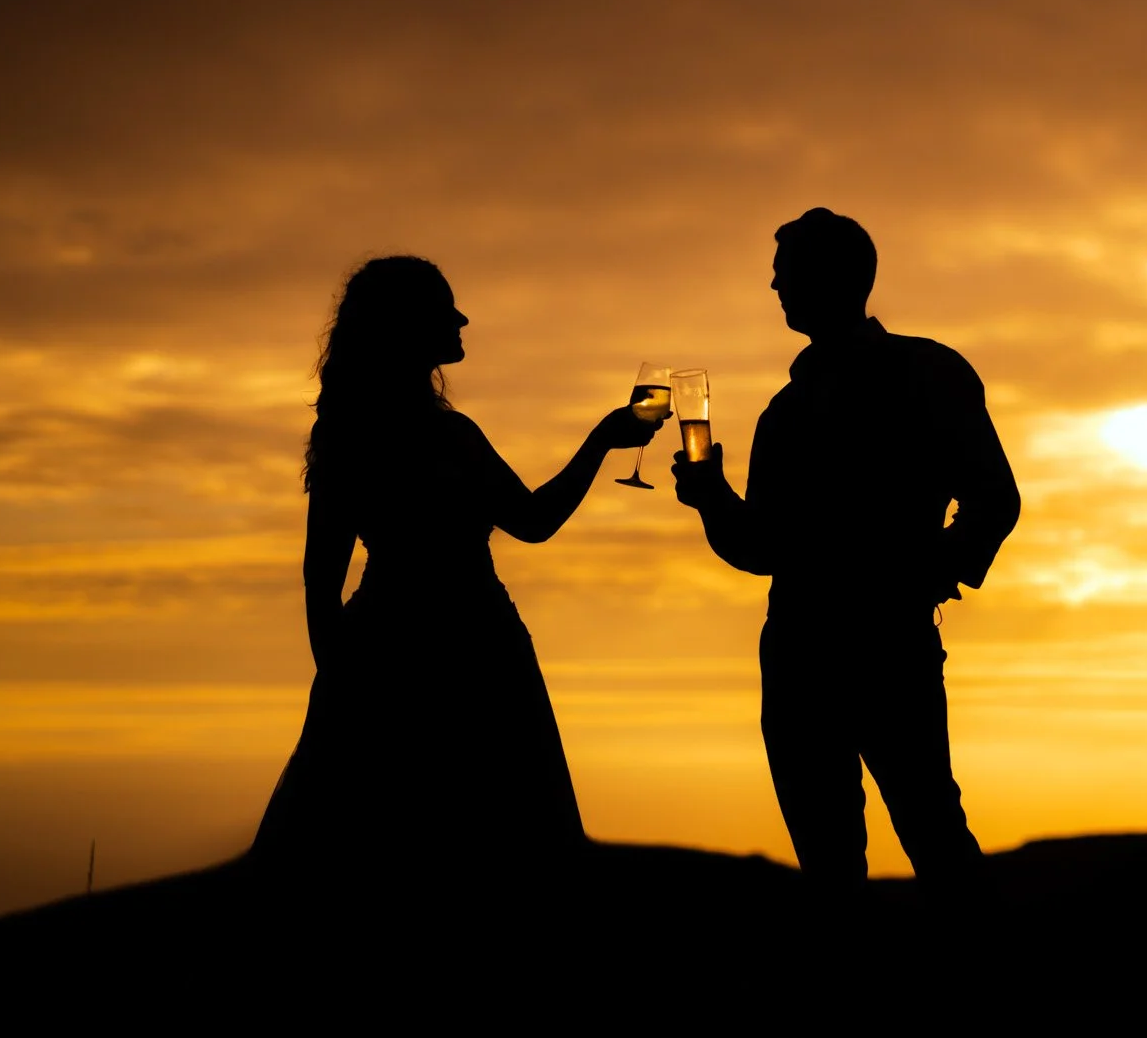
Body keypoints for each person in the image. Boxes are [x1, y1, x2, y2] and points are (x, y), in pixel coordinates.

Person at [252, 256, 660, 885]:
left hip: (402, 647)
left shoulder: (358, 432)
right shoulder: (436, 436)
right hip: (466, 652)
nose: (462, 319)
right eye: (446, 309)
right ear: (408, 326)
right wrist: (339, 681)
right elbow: (532, 520)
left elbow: (321, 580)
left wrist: (338, 678)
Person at [672, 208, 1020, 890]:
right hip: (808, 651)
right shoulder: (790, 407)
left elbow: (994, 501)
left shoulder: (925, 373)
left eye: (784, 275)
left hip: (873, 647)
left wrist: (927, 573)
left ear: (828, 278)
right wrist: (710, 497)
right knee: (855, 851)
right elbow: (764, 547)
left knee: (925, 835)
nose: (774, 288)